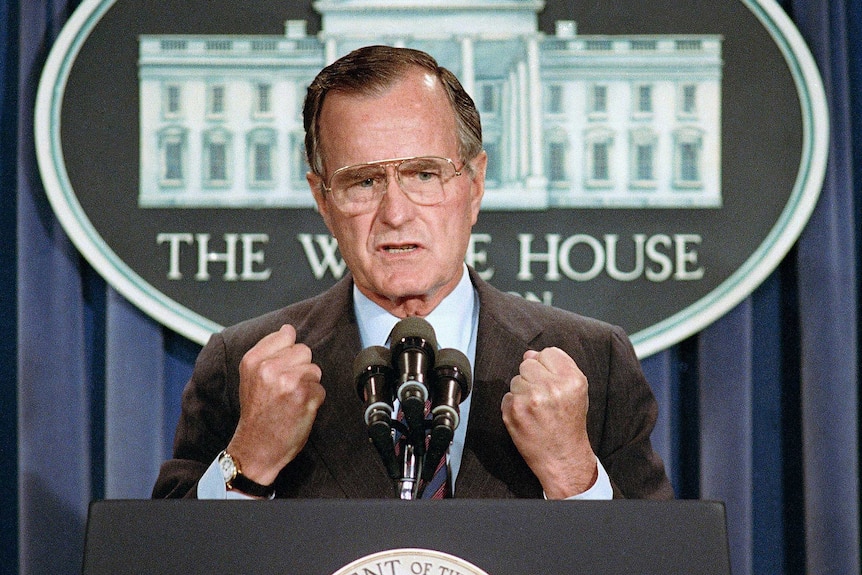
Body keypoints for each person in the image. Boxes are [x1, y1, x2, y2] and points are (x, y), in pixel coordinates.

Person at [152, 45, 673, 501]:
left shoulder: (594, 360)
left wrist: (573, 476)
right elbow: (162, 562)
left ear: (474, 183)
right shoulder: (242, 369)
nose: (395, 213)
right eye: (362, 182)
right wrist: (247, 462)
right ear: (323, 200)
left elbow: (660, 565)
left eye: (423, 174)